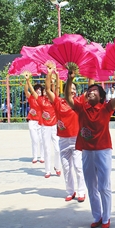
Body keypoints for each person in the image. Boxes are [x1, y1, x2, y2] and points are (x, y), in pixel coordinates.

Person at [65, 65, 115, 228]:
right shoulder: (82, 108)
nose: (90, 92)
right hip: (87, 152)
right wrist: (69, 79)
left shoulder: (106, 108)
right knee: (91, 186)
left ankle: (106, 217)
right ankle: (97, 216)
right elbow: (68, 99)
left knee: (103, 186)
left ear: (101, 97)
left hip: (103, 151)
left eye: (94, 90)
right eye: (89, 90)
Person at [45, 67, 88, 202]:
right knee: (67, 167)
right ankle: (70, 191)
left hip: (77, 139)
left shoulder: (80, 101)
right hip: (63, 140)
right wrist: (50, 72)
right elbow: (47, 90)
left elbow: (91, 88)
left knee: (78, 166)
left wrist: (90, 72)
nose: (73, 90)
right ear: (66, 89)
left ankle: (81, 191)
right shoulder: (58, 101)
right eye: (71, 88)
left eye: (75, 88)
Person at [26, 73, 61, 178]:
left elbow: (57, 88)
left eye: (48, 91)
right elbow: (32, 91)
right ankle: (47, 170)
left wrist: (56, 77)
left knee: (58, 149)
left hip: (55, 126)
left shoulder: (54, 100)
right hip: (45, 127)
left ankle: (57, 167)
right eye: (45, 91)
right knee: (46, 148)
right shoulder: (40, 100)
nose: (46, 92)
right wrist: (28, 80)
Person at [24, 75, 44, 164]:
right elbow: (26, 90)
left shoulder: (43, 99)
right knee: (34, 139)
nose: (39, 91)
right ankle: (35, 156)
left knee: (41, 139)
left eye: (40, 89)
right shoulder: (31, 98)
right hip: (32, 120)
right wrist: (27, 81)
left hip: (41, 121)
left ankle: (42, 156)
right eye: (37, 89)